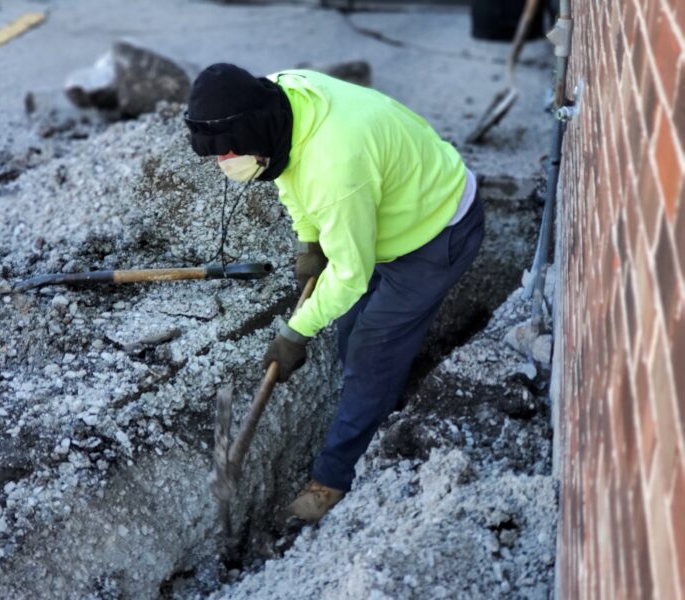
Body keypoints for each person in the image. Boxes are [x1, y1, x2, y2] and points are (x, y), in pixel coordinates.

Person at [185, 63, 485, 523]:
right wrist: (310, 239)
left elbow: (350, 276)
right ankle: (373, 401)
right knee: (350, 330)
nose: (227, 162)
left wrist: (295, 333)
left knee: (369, 349)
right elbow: (285, 172)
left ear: (255, 130)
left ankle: (333, 477)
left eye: (231, 151)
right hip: (393, 209)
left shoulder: (337, 168)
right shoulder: (283, 98)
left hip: (437, 231)